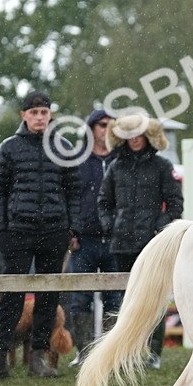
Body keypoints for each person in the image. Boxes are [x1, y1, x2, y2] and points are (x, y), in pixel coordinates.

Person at [0, 91, 80, 383]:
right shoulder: (8, 148)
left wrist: (72, 228)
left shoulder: (64, 147)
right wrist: (0, 229)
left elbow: (74, 192)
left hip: (54, 230)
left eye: (44, 112)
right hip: (18, 230)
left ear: (50, 115)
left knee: (48, 296)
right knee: (10, 295)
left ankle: (39, 358)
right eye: (34, 113)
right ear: (23, 116)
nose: (40, 117)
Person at [98, 112, 183, 368]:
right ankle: (127, 352)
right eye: (129, 135)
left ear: (148, 135)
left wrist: (159, 229)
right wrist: (112, 227)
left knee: (154, 298)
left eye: (139, 134)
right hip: (121, 244)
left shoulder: (162, 166)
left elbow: (176, 204)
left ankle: (153, 354)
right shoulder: (115, 167)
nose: (134, 139)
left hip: (152, 244)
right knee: (127, 301)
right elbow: (104, 203)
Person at [67, 108, 120, 363]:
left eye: (110, 125)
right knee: (80, 298)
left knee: (116, 299)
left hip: (114, 240)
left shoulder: (121, 160)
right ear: (91, 129)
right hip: (84, 239)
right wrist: (71, 231)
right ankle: (84, 352)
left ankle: (109, 354)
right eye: (101, 124)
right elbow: (70, 198)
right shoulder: (75, 160)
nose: (105, 129)